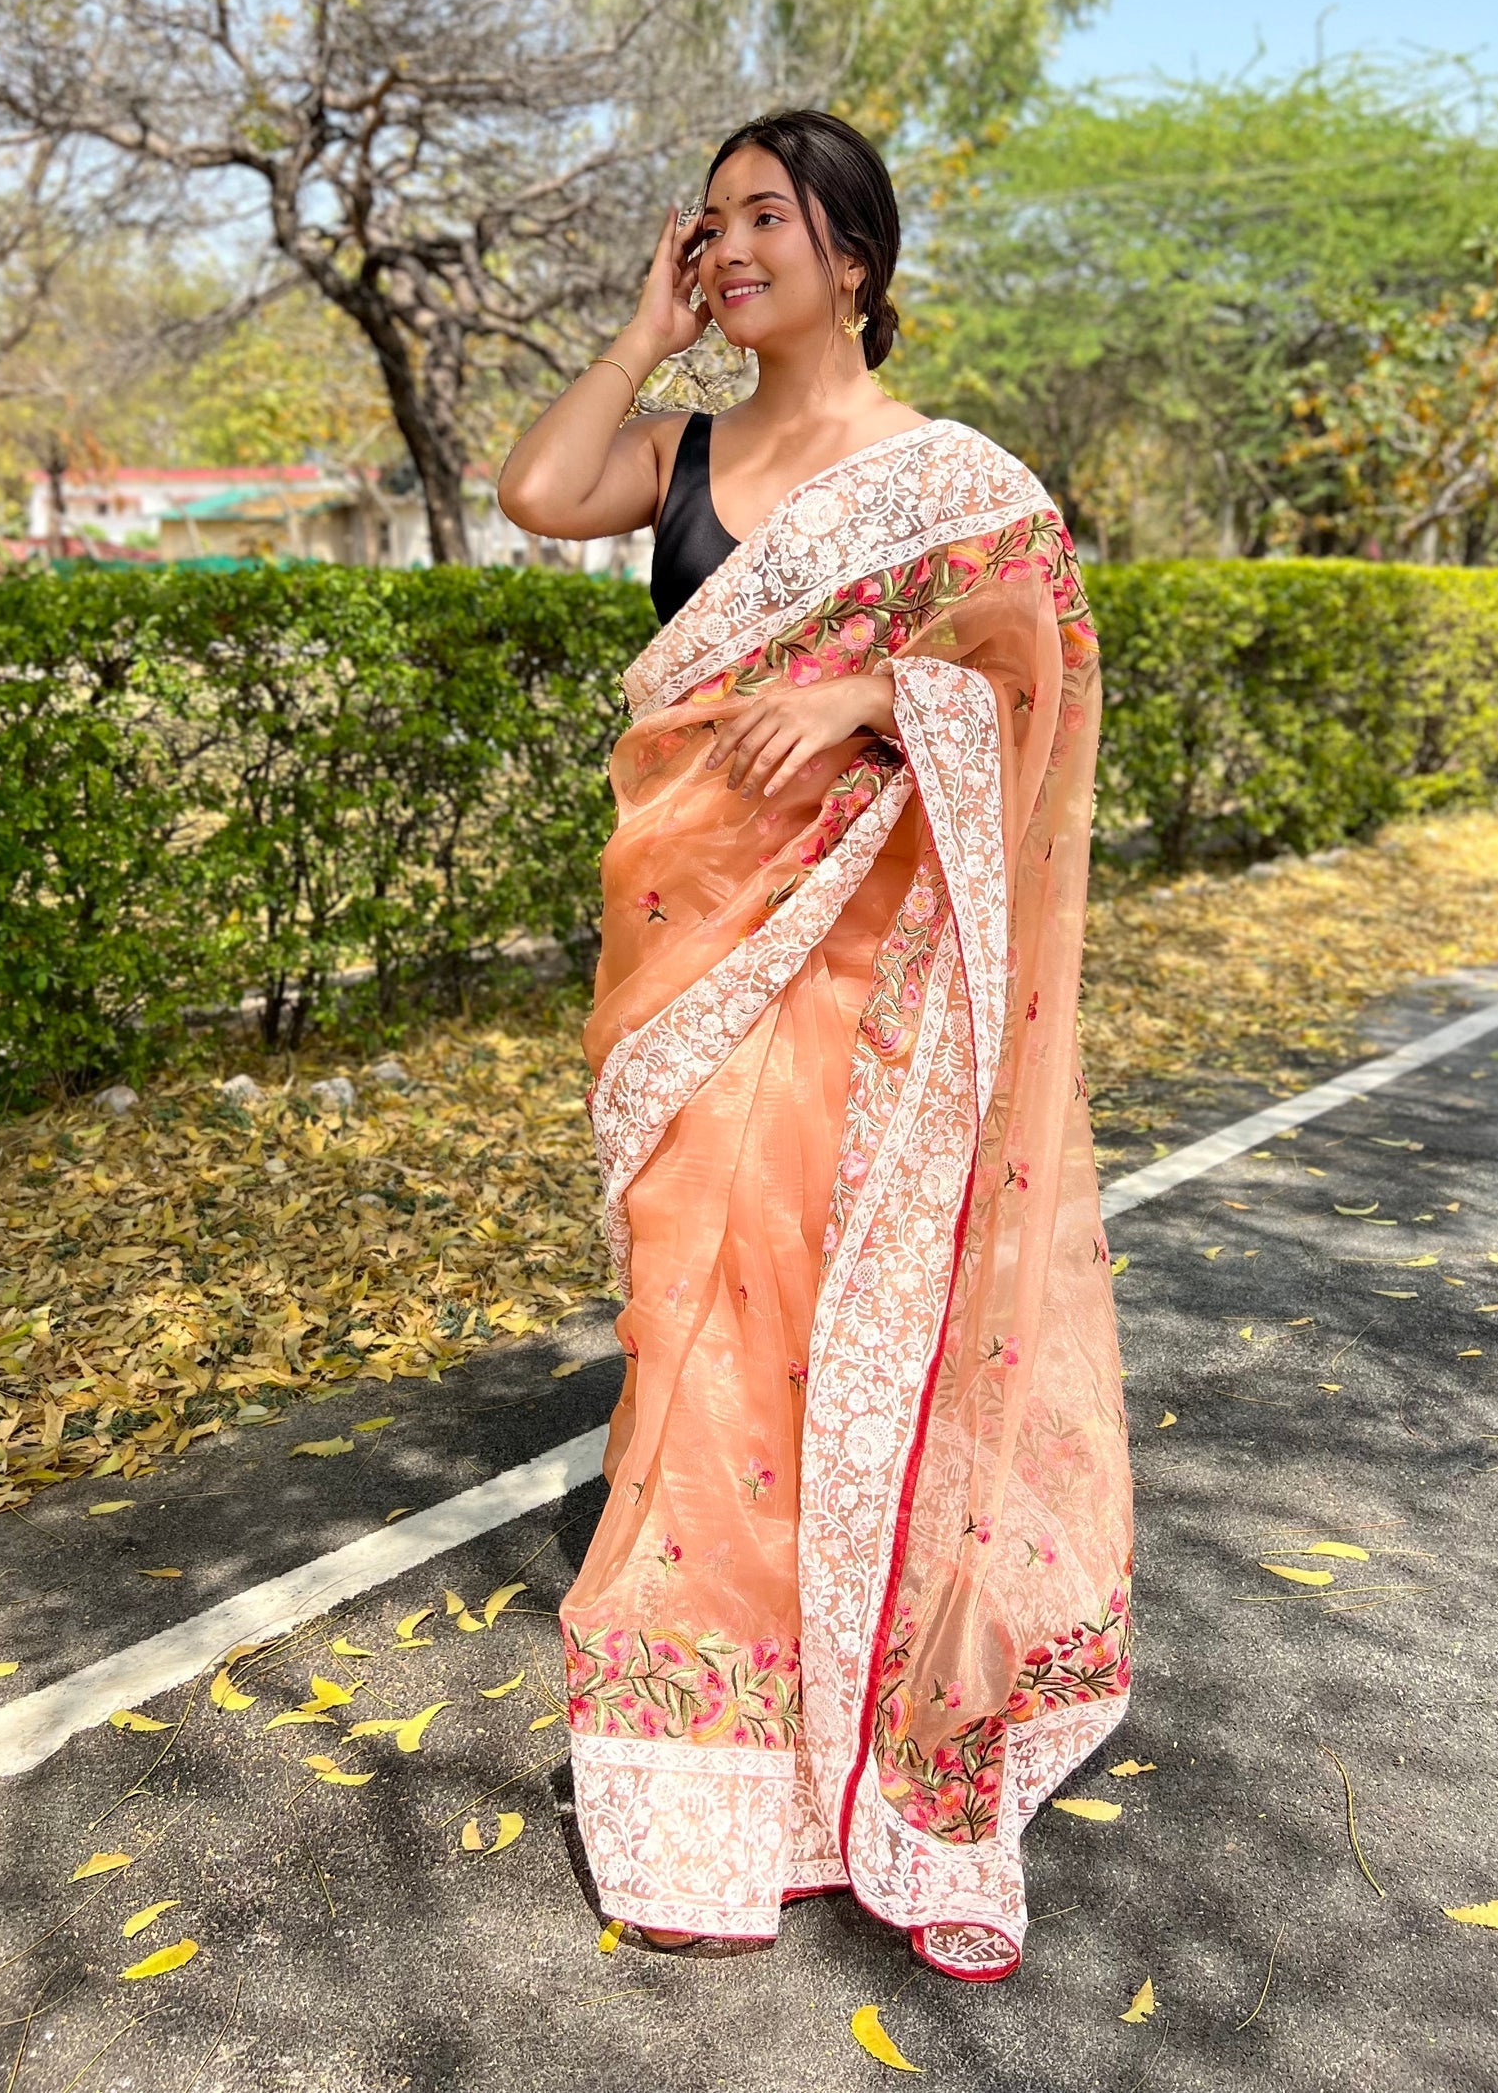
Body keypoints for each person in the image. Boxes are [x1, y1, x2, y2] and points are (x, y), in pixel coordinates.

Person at [497, 108, 1133, 1980]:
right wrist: (639, 333)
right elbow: (538, 493)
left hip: (885, 995)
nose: (727, 247)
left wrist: (881, 688)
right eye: (707, 226)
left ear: (853, 256)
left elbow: (1047, 681)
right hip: (697, 982)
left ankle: (909, 1781)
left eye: (761, 218)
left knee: (877, 1348)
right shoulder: (683, 450)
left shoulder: (952, 483)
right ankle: (712, 1781)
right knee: (698, 1336)